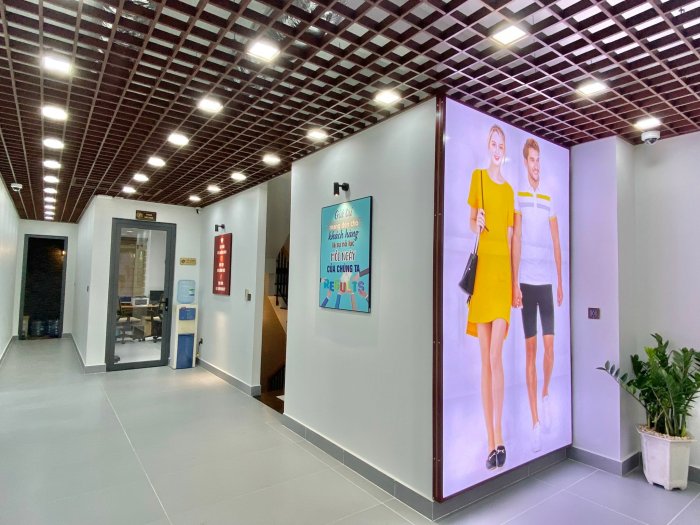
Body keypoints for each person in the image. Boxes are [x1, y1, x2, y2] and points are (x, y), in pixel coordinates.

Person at [466, 124, 515, 470]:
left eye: (501, 145)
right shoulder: (478, 178)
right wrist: (477, 221)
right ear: (488, 147)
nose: (497, 149)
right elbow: (471, 222)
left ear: (504, 149)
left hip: (501, 277)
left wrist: (513, 285)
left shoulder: (509, 191)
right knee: (485, 358)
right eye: (493, 144)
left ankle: (500, 436)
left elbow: (510, 239)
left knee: (496, 354)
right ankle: (491, 441)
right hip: (482, 274)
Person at [511, 138, 563, 452]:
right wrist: (514, 283)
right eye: (532, 159)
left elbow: (556, 241)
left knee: (549, 348)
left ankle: (546, 394)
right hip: (526, 284)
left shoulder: (548, 196)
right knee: (530, 351)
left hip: (545, 284)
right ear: (525, 162)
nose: (536, 165)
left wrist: (560, 281)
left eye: (538, 159)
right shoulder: (518, 195)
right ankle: (534, 422)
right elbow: (515, 239)